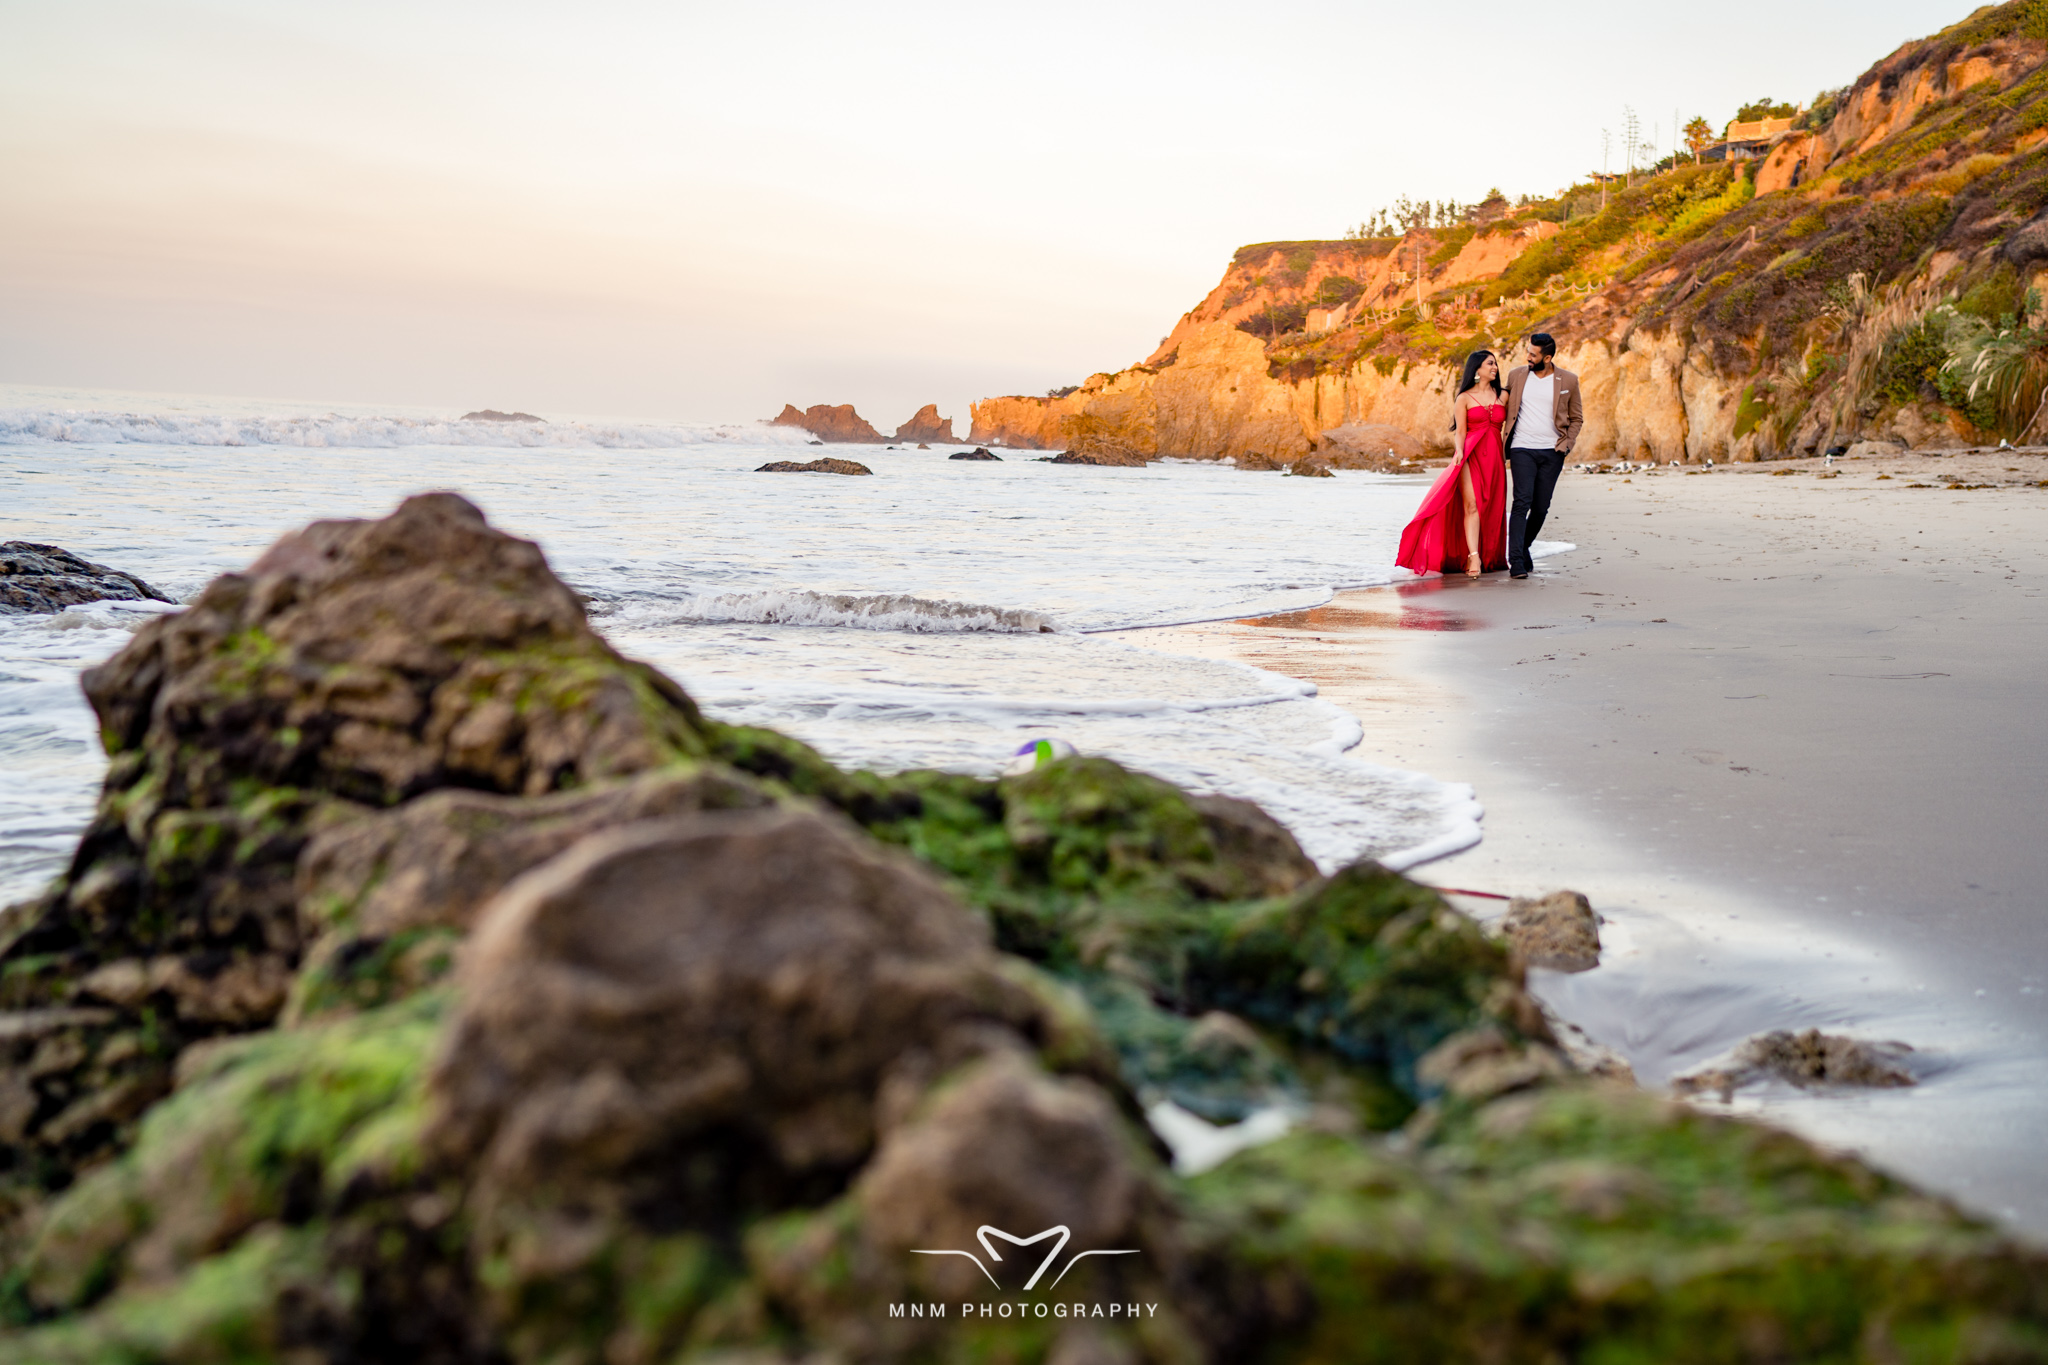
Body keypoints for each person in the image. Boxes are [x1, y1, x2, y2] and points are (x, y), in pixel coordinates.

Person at [1395, 349, 1509, 578]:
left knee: (1493, 507)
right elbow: (1460, 432)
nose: (1494, 367)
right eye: (1490, 363)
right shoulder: (1464, 398)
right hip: (1470, 455)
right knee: (1472, 505)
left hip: (1495, 458)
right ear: (1477, 369)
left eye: (1495, 364)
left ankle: (1490, 555)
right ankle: (1473, 555)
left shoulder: (1503, 396)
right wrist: (1459, 452)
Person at [1501, 332, 1584, 578]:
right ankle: (1515, 560)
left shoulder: (1568, 380)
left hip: (1552, 451)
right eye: (1528, 352)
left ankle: (1523, 547)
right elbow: (1500, 403)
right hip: (1521, 448)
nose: (1528, 357)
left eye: (1533, 354)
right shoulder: (1516, 375)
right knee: (1521, 502)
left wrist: (1567, 444)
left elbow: (1577, 417)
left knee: (1540, 508)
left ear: (1547, 358)